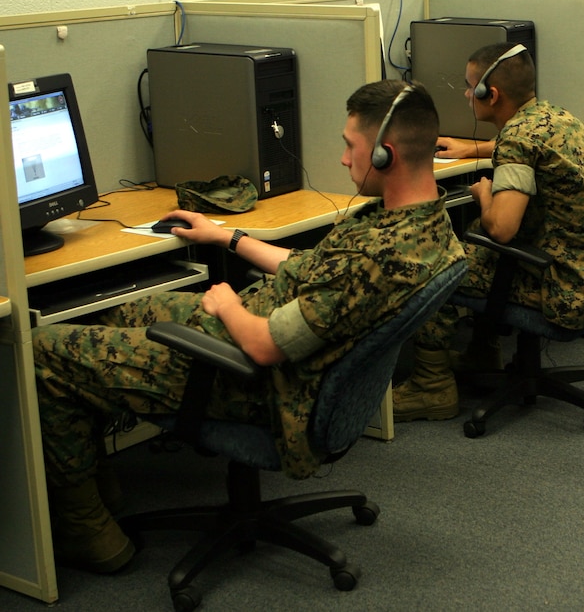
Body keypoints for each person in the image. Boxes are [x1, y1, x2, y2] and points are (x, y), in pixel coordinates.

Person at [33, 80, 464, 574]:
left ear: (384, 155)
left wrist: (225, 304)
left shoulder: (379, 258)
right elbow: (310, 268)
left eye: (350, 146)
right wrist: (226, 237)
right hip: (258, 335)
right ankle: (98, 478)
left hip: (256, 378)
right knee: (109, 314)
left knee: (45, 349)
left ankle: (89, 530)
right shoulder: (422, 224)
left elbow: (263, 346)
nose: (344, 159)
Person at [394, 42, 584, 422]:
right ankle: (482, 352)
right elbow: (524, 146)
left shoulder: (518, 138)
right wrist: (474, 150)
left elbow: (501, 229)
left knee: (436, 265)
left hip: (562, 285)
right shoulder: (554, 117)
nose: (468, 95)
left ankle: (431, 388)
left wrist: (485, 195)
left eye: (470, 87)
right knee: (471, 235)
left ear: (490, 94)